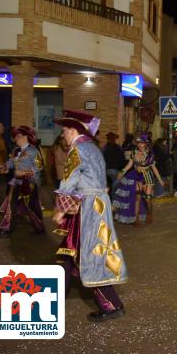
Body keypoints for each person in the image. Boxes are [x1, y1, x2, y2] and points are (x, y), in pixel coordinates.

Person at [52, 110, 127, 322]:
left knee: (90, 254)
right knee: (71, 250)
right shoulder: (94, 148)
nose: (63, 134)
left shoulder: (76, 150)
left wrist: (60, 210)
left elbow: (68, 181)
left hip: (86, 207)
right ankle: (57, 293)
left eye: (65, 130)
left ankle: (112, 305)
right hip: (98, 204)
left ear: (74, 130)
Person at [0, 126, 44, 238]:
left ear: (26, 137)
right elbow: (11, 162)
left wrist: (24, 172)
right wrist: (4, 167)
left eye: (19, 136)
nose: (16, 139)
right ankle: (6, 229)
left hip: (30, 183)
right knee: (11, 205)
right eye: (15, 137)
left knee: (31, 206)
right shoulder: (15, 151)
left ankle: (39, 227)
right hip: (17, 182)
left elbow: (39, 166)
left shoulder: (33, 150)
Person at [114, 134, 165, 226]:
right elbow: (130, 163)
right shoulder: (134, 152)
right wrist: (123, 171)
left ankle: (149, 214)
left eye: (142, 143)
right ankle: (136, 218)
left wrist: (160, 179)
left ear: (146, 144)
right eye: (139, 143)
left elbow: (153, 167)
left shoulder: (150, 153)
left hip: (147, 177)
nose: (140, 145)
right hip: (137, 176)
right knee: (137, 198)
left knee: (147, 199)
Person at [102, 132, 126, 201]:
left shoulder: (105, 148)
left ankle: (108, 202)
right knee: (115, 188)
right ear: (114, 139)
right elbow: (122, 159)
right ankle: (114, 202)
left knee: (108, 187)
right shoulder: (118, 147)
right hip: (116, 170)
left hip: (106, 171)